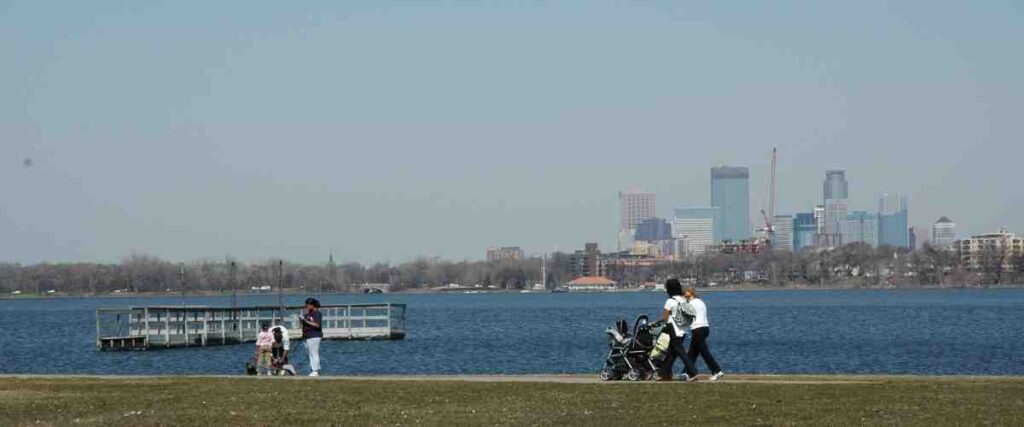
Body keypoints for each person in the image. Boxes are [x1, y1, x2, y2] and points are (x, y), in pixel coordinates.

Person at [656, 279, 698, 381]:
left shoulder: (670, 301)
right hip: (683, 329)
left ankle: (693, 372)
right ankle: (664, 374)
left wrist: (654, 322)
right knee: (671, 353)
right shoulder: (683, 299)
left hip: (673, 329)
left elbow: (665, 318)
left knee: (681, 352)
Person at [684, 287, 724, 381]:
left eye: (685, 292)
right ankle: (686, 372)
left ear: (690, 293)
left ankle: (717, 371)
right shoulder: (700, 302)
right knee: (692, 353)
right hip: (705, 328)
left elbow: (686, 316)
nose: (684, 294)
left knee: (704, 352)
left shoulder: (691, 303)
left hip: (697, 329)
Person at [299, 297, 323, 377]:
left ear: (312, 305)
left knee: (314, 353)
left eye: (308, 305)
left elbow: (317, 324)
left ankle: (315, 371)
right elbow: (305, 323)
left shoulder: (317, 313)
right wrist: (301, 319)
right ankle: (317, 369)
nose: (307, 307)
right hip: (308, 335)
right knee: (311, 353)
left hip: (314, 335)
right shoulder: (308, 313)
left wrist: (306, 321)